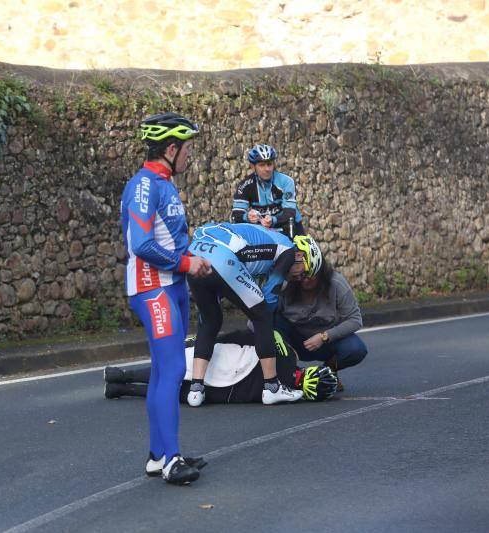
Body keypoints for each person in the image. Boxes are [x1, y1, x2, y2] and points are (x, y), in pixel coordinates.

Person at [121, 112, 212, 485]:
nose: (190, 156)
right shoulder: (145, 186)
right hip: (152, 286)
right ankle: (171, 461)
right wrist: (186, 263)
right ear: (171, 148)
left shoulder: (165, 182)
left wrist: (195, 261)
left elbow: (170, 237)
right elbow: (140, 244)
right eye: (187, 149)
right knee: (174, 370)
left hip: (172, 284)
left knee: (163, 370)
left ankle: (159, 455)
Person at [186, 222, 307, 407]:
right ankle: (272, 388)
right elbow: (269, 295)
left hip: (195, 255)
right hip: (223, 258)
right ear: (299, 255)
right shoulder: (289, 251)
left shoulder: (263, 237)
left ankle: (196, 390)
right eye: (302, 273)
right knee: (263, 315)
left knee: (210, 321)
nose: (298, 278)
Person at [103, 330, 338, 409]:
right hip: (223, 393)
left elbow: (248, 335)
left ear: (310, 371)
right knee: (174, 393)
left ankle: (122, 375)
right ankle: (120, 389)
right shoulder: (286, 396)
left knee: (176, 368)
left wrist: (211, 341)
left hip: (227, 360)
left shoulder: (286, 351)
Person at [276, 235, 368, 392]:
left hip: (325, 342)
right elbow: (256, 321)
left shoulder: (336, 283)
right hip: (293, 342)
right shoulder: (284, 284)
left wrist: (324, 336)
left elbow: (355, 319)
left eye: (309, 275)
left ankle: (327, 373)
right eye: (300, 275)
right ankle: (292, 375)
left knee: (356, 349)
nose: (304, 280)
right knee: (270, 323)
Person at [229, 144, 304, 238]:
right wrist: (247, 217)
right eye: (262, 165)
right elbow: (235, 216)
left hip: (288, 228)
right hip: (262, 233)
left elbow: (290, 214)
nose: (267, 169)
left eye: (269, 164)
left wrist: (273, 220)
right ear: (253, 167)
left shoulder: (286, 181)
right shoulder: (244, 186)